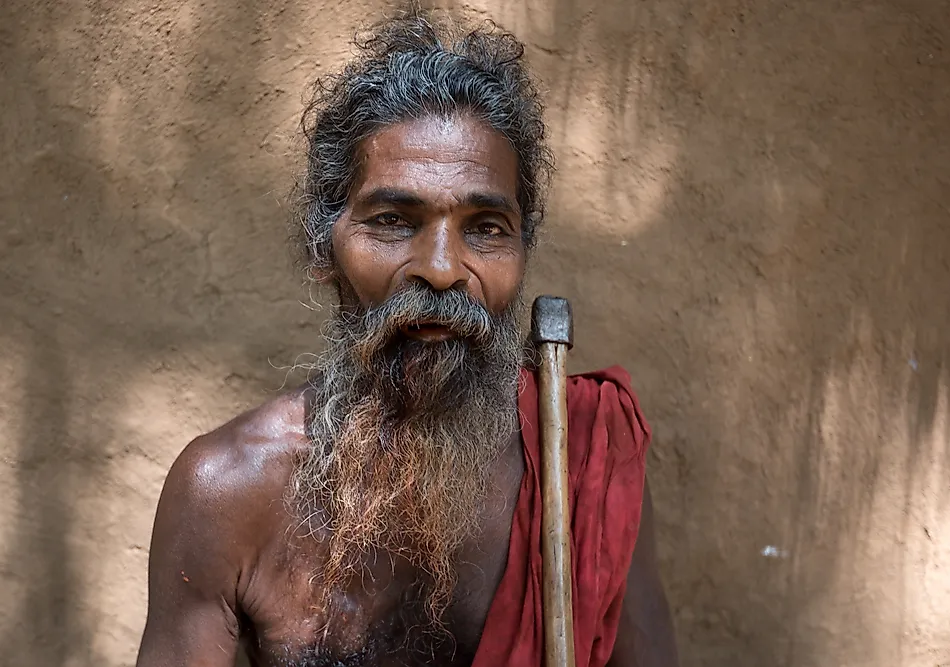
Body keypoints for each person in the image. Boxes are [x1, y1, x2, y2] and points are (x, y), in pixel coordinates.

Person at [136, 10, 679, 667]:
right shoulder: (229, 492)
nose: (443, 268)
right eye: (393, 220)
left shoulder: (584, 468)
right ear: (323, 245)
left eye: (485, 227)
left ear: (522, 251)